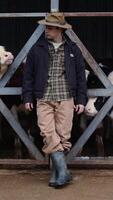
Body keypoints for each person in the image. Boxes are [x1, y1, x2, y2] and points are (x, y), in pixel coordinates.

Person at [22, 12, 87, 188]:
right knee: (47, 133)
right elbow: (28, 75)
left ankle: (57, 172)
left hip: (67, 98)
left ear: (59, 29)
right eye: (46, 27)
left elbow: (81, 77)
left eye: (49, 28)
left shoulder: (73, 49)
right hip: (44, 98)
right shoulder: (37, 49)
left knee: (63, 136)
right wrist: (27, 96)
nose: (46, 30)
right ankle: (64, 171)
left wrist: (81, 99)